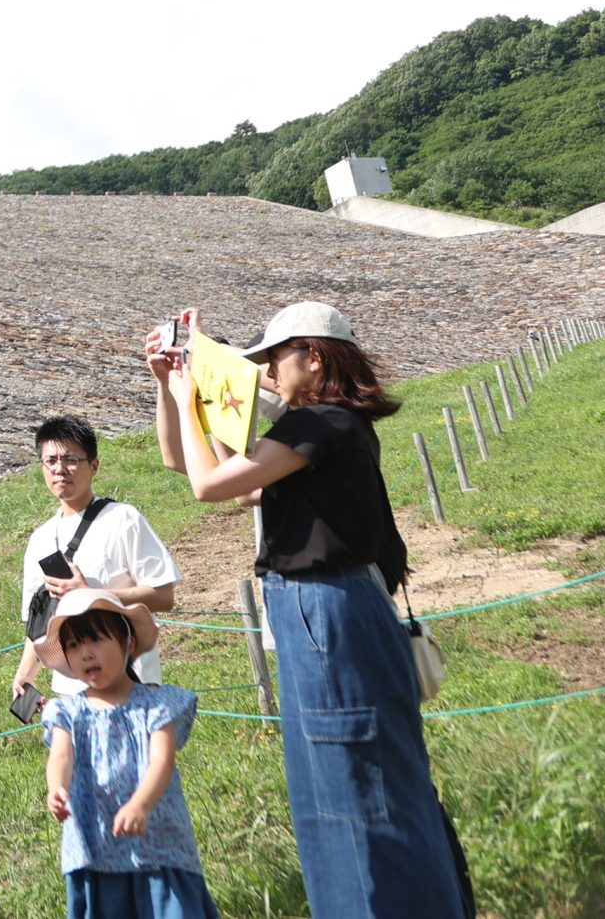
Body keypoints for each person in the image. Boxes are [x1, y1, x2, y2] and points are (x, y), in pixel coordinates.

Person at [150, 301, 467, 918]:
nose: (268, 372)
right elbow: (206, 470)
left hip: (329, 612)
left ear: (314, 357)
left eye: (275, 357)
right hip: (325, 612)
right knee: (343, 784)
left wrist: (191, 394)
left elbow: (208, 486)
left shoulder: (322, 425)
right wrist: (181, 383)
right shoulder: (326, 429)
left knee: (352, 789)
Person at [36, 590, 219, 919]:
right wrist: (56, 788)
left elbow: (162, 760)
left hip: (158, 842)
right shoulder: (67, 712)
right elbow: (61, 756)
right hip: (96, 843)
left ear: (129, 644)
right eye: (74, 645)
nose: (86, 653)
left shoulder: (156, 704)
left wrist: (141, 805)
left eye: (96, 639)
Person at [7, 417, 181, 714]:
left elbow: (164, 596)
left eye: (71, 460)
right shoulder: (40, 539)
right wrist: (25, 674)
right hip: (71, 694)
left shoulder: (123, 519)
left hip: (131, 686)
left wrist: (91, 594)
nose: (60, 469)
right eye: (51, 461)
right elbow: (40, 621)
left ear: (94, 466)